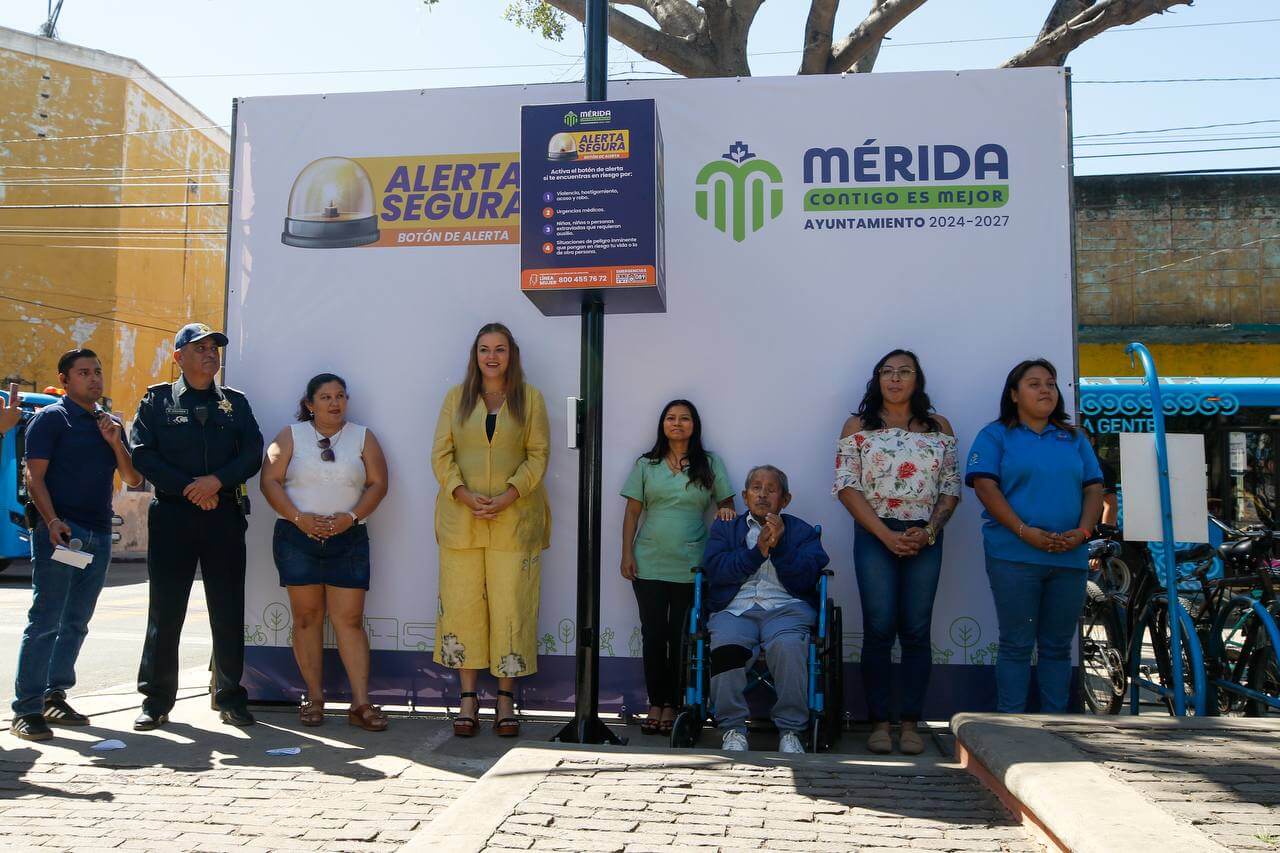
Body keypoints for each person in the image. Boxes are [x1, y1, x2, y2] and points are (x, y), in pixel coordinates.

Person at [129, 323, 264, 730]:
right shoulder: (156, 402)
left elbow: (253, 452)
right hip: (173, 514)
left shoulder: (234, 404)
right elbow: (141, 452)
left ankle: (229, 696)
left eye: (214, 348)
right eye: (200, 348)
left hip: (222, 513)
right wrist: (188, 488)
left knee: (227, 608)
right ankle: (155, 700)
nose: (210, 354)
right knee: (166, 610)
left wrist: (216, 483)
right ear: (178, 358)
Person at [9, 350, 142, 741]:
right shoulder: (51, 419)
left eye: (97, 372)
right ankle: (27, 708)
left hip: (98, 534)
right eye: (84, 373)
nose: (94, 379)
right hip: (63, 534)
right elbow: (35, 479)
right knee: (46, 620)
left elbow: (133, 478)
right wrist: (51, 521)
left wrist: (116, 441)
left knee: (76, 622)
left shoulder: (109, 424)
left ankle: (55, 695)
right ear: (65, 380)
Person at [834, 349, 959, 754]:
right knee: (879, 629)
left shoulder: (939, 427)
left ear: (917, 379)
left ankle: (909, 724)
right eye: (887, 372)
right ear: (876, 379)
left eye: (904, 371)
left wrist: (928, 531)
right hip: (875, 534)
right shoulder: (857, 426)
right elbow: (846, 486)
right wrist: (884, 535)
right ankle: (879, 723)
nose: (895, 378)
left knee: (916, 630)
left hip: (924, 535)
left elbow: (951, 488)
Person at [432, 322, 550, 738]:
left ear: (511, 354)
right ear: (475, 355)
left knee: (510, 608)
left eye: (500, 349)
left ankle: (505, 699)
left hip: (514, 522)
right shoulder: (456, 399)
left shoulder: (530, 399)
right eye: (485, 349)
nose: (492, 357)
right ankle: (467, 700)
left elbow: (538, 456)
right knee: (463, 607)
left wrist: (508, 495)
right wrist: (462, 493)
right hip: (461, 522)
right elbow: (441, 456)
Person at [965, 358, 1104, 713]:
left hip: (1069, 557)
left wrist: (1083, 532)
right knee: (1016, 644)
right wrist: (1025, 532)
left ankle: (1057, 726)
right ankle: (1012, 728)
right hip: (1014, 556)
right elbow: (985, 486)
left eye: (1051, 383)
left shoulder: (1074, 438)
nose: (1045, 390)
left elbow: (1094, 488)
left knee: (1058, 647)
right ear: (1014, 394)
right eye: (1034, 383)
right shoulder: (995, 435)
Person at [259, 374, 390, 731]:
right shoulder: (289, 436)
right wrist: (298, 518)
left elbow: (379, 483)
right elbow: (269, 480)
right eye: (325, 397)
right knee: (306, 619)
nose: (334, 403)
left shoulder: (363, 437)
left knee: (349, 621)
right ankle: (313, 698)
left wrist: (352, 517)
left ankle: (361, 704)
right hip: (296, 538)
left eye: (340, 396)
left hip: (349, 539)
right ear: (309, 404)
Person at [621, 399, 737, 736]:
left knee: (682, 637)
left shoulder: (709, 463)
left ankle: (674, 705)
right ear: (662, 425)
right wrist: (626, 554)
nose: (677, 424)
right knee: (654, 636)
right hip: (648, 561)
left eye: (684, 418)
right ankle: (655, 703)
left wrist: (726, 513)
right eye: (670, 418)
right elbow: (632, 513)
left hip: (691, 564)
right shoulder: (647, 464)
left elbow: (727, 504)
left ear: (694, 425)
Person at [702, 465, 830, 754]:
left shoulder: (803, 532)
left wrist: (780, 545)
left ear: (785, 500)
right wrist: (756, 553)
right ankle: (732, 728)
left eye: (771, 489)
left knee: (788, 647)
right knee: (726, 647)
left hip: (786, 610)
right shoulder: (726, 528)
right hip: (736, 609)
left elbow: (807, 578)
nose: (763, 494)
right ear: (745, 497)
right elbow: (717, 571)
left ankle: (791, 731)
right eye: (756, 488)